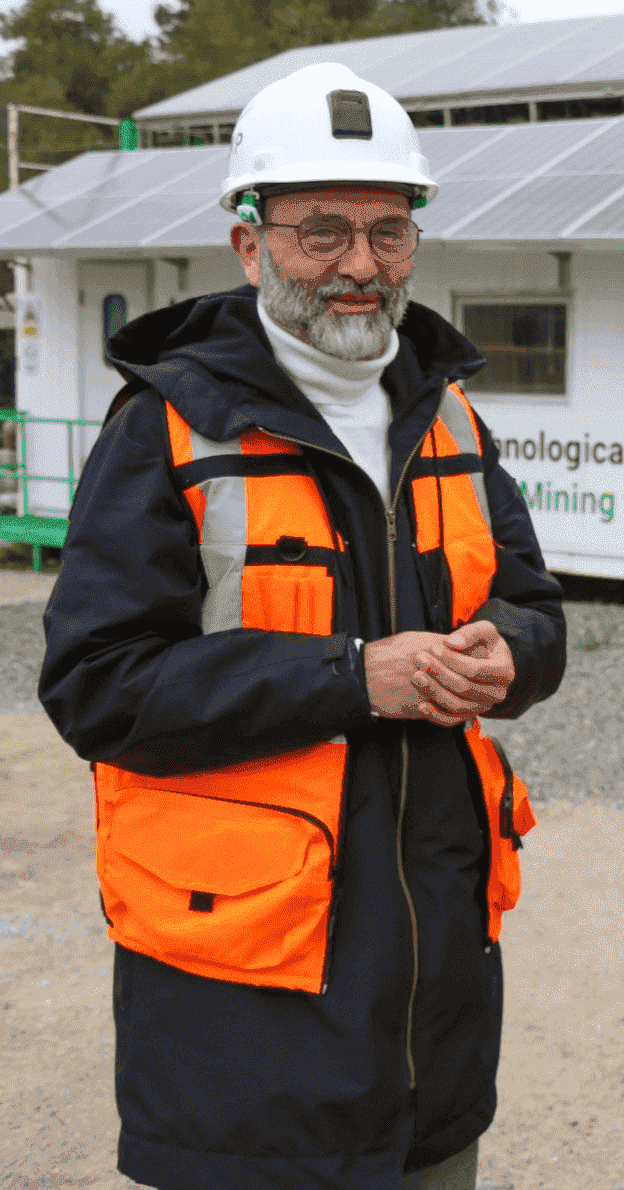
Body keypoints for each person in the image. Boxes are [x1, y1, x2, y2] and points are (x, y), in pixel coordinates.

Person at [40, 62, 567, 1189]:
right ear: (249, 243)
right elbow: (98, 683)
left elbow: (537, 613)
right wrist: (348, 676)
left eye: (388, 231)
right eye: (320, 232)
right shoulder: (169, 429)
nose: (361, 267)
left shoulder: (449, 413)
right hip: (247, 1038)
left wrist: (507, 653)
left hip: (434, 1026)